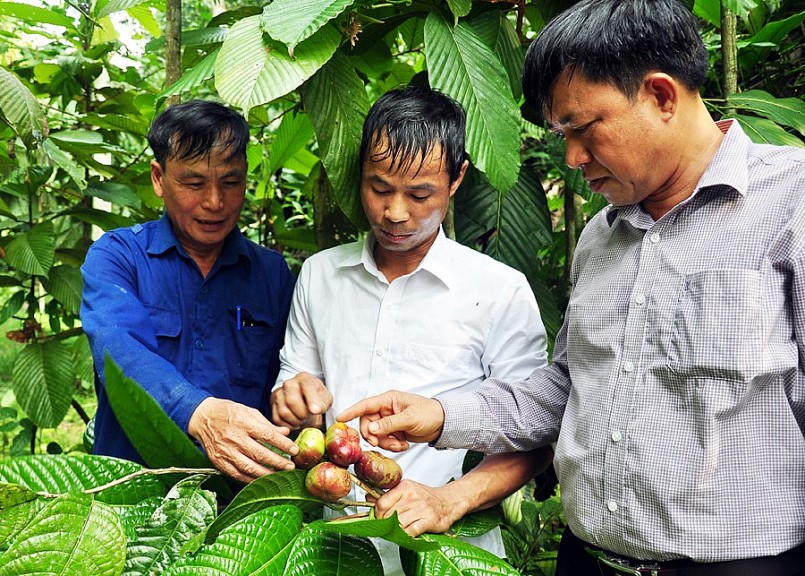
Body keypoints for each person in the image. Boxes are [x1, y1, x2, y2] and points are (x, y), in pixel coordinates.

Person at [338, 1, 805, 575]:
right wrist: (441, 415)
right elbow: (564, 389)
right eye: (562, 134)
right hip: (585, 561)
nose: (572, 158)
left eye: (582, 129)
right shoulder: (600, 237)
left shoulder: (791, 207)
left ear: (660, 96)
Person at [271, 86, 553, 574]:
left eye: (420, 194)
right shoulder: (319, 275)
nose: (395, 212)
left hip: (451, 554)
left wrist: (449, 500)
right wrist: (291, 398)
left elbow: (535, 433)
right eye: (379, 188)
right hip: (334, 550)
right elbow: (296, 388)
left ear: (457, 178)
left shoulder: (499, 291)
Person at [81, 100, 298, 483]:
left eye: (230, 183)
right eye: (194, 183)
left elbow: (284, 378)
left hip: (237, 508)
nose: (214, 202)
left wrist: (300, 399)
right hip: (133, 493)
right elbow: (116, 350)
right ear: (158, 178)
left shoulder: (271, 274)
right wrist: (198, 412)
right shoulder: (119, 257)